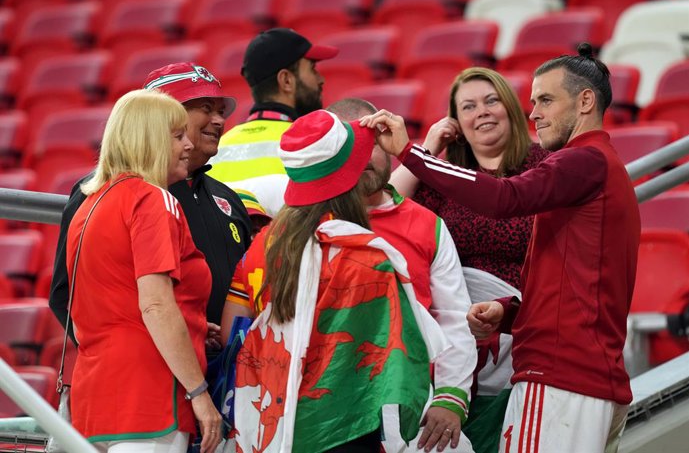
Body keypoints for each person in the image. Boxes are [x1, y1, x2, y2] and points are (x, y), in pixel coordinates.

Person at [361, 43, 640, 453]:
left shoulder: (583, 161)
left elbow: (501, 200)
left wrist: (410, 152)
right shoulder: (593, 167)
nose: (534, 113)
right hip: (582, 375)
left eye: (546, 99)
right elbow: (573, 282)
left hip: (561, 375)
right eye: (532, 101)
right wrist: (508, 313)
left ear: (585, 101)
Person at [233, 109, 447, 453]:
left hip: (274, 422)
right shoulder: (368, 257)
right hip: (346, 428)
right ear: (350, 178)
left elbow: (238, 329)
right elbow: (402, 365)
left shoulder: (262, 245)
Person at [391, 67, 550, 453]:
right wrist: (426, 148)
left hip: (523, 328)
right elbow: (386, 206)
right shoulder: (446, 175)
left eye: (491, 100)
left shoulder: (543, 166)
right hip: (455, 335)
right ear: (456, 123)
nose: (482, 112)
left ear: (510, 108)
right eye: (469, 106)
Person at [49, 63, 252, 357]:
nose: (219, 120)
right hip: (147, 373)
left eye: (221, 111)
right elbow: (65, 298)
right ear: (162, 117)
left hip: (227, 377)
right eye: (206, 108)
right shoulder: (97, 190)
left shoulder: (229, 199)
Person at [65, 89, 222, 453]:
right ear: (150, 138)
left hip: (94, 403)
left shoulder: (89, 205)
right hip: (151, 399)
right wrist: (199, 393)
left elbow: (91, 312)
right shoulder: (154, 198)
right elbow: (154, 305)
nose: (189, 145)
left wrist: (192, 325)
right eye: (178, 135)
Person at [327, 98, 476, 453]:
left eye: (371, 142)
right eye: (348, 145)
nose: (363, 156)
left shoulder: (427, 225)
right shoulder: (304, 225)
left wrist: (450, 398)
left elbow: (455, 320)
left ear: (389, 144)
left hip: (412, 398)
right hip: (328, 403)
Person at [207, 27, 338, 217]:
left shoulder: (216, 149)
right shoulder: (316, 144)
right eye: (312, 68)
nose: (321, 79)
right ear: (286, 80)